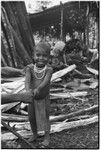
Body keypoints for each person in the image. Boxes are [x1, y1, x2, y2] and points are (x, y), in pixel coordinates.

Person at [25, 41, 53, 147]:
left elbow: (46, 81)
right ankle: (35, 133)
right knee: (31, 117)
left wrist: (39, 88)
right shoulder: (30, 68)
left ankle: (47, 136)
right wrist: (27, 90)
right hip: (32, 97)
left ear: (49, 57)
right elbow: (27, 80)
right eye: (38, 55)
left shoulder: (49, 69)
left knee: (45, 117)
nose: (41, 58)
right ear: (33, 56)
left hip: (44, 97)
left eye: (44, 56)